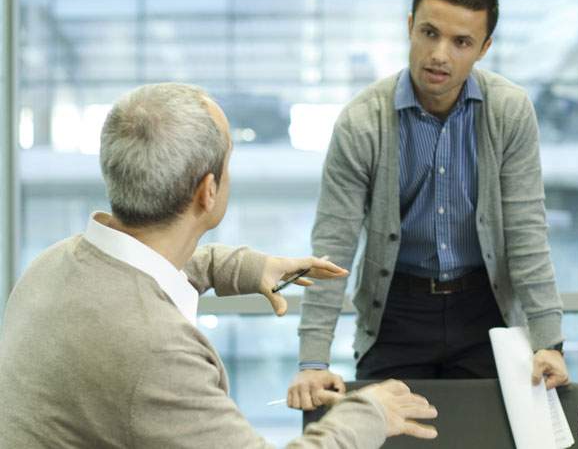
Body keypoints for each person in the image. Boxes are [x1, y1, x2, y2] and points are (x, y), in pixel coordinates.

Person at [0, 83, 437, 448]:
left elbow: (157, 269)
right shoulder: (156, 352)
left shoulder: (52, 265)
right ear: (208, 191)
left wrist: (248, 267)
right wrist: (371, 413)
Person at [289, 0, 568, 410]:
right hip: (396, 309)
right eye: (429, 33)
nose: (440, 54)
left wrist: (549, 339)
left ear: (484, 47)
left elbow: (526, 232)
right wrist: (311, 361)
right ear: (409, 28)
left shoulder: (509, 111)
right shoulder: (362, 122)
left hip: (486, 310)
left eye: (461, 42)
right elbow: (332, 248)